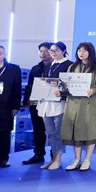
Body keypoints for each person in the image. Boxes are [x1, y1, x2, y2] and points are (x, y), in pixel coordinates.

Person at [59, 42, 96, 171]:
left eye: (84, 51)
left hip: (89, 103)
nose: (81, 53)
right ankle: (77, 159)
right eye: (79, 50)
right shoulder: (72, 67)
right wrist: (61, 90)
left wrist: (93, 90)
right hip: (73, 103)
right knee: (74, 131)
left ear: (90, 52)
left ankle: (87, 159)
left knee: (89, 131)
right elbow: (66, 84)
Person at [37, 42, 72, 170]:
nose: (53, 53)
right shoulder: (48, 65)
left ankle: (58, 159)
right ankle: (53, 159)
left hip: (59, 103)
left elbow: (71, 84)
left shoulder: (69, 65)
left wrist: (59, 86)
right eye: (51, 50)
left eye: (56, 50)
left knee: (58, 133)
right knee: (50, 133)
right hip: (46, 102)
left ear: (63, 51)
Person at [21, 42, 53, 165]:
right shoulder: (35, 68)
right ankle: (38, 154)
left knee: (53, 131)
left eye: (46, 51)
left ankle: (54, 156)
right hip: (36, 103)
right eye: (41, 51)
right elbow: (29, 86)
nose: (43, 53)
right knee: (38, 130)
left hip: (52, 104)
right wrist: (26, 101)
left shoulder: (58, 67)